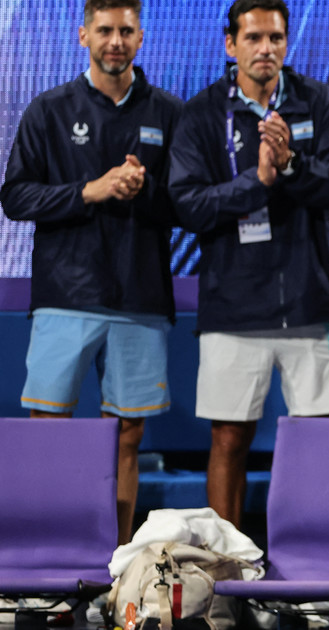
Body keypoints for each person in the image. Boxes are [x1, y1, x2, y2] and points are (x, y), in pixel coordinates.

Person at [168, 0, 329, 530]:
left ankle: (316, 566)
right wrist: (257, 181)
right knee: (229, 438)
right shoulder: (202, 113)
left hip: (311, 304)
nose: (266, 49)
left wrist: (292, 164)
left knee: (320, 438)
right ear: (230, 44)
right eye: (253, 38)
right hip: (233, 307)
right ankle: (225, 567)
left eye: (275, 38)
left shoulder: (316, 101)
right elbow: (187, 204)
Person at [0, 0, 181, 545]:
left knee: (127, 437)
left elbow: (190, 205)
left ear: (141, 37)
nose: (115, 40)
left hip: (139, 299)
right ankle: (47, 554)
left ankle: (116, 561)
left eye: (126, 30)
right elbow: (15, 196)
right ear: (83, 35)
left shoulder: (169, 112)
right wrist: (89, 191)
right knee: (48, 432)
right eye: (105, 30)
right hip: (64, 295)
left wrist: (145, 188)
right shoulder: (48, 109)